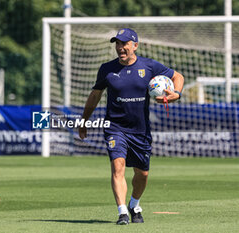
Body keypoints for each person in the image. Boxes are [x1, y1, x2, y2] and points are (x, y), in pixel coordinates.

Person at [79, 28, 184, 225]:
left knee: (142, 174)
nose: (120, 48)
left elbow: (178, 76)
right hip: (115, 127)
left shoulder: (150, 66)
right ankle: (122, 213)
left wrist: (176, 93)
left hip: (140, 130)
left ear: (135, 45)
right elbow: (95, 96)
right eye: (117, 44)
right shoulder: (106, 69)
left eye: (124, 43)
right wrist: (84, 121)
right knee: (117, 166)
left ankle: (134, 204)